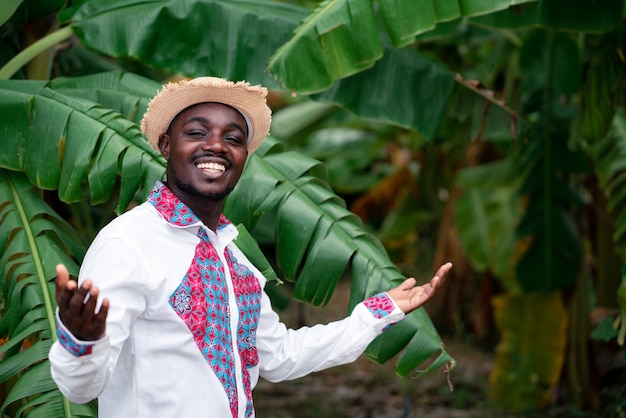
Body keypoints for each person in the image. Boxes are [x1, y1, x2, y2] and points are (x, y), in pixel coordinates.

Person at [48, 77, 453, 418]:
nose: (217, 146)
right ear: (166, 146)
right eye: (196, 132)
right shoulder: (128, 243)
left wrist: (376, 313)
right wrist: (80, 340)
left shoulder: (235, 258)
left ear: (243, 156)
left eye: (233, 138)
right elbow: (81, 388)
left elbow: (278, 356)